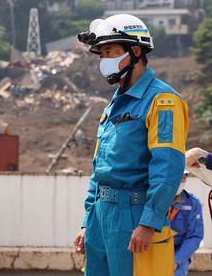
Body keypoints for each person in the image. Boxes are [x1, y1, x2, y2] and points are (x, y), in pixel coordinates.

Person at [73, 14, 189, 276]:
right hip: (101, 215)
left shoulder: (162, 101)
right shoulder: (114, 104)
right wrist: (87, 221)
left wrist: (149, 222)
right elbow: (100, 169)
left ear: (135, 51)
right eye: (101, 54)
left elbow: (167, 167)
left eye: (111, 51)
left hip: (134, 215)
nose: (105, 60)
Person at [170, 171, 204, 276]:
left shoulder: (193, 203)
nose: (182, 179)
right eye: (179, 176)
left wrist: (177, 260)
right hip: (155, 249)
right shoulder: (155, 198)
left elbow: (195, 236)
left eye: (184, 176)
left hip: (179, 251)